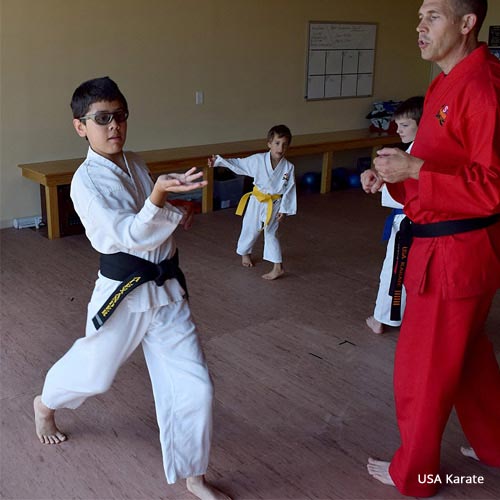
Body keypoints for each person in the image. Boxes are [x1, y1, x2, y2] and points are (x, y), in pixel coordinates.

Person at [33, 76, 230, 500]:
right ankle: (46, 403)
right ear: (80, 126)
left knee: (194, 384)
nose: (114, 126)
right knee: (96, 374)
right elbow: (127, 233)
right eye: (101, 119)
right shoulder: (86, 181)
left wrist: (176, 208)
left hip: (165, 289)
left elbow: (147, 217)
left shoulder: (135, 162)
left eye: (119, 116)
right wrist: (160, 200)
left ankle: (193, 474)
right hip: (122, 293)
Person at [364, 0, 500, 496]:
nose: (420, 27)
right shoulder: (446, 81)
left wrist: (415, 171)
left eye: (433, 16)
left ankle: (417, 474)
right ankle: (495, 445)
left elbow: (493, 186)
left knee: (422, 369)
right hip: (446, 245)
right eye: (420, 17)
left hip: (457, 254)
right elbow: (434, 162)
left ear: (466, 24)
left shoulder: (483, 87)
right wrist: (392, 176)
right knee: (466, 357)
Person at [362, 96, 424, 334]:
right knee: (405, 271)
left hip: (410, 222)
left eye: (405, 125)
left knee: (394, 270)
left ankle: (381, 319)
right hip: (411, 221)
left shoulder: (417, 155)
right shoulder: (409, 152)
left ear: (423, 124)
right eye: (397, 125)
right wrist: (377, 176)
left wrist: (380, 180)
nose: (398, 130)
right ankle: (402, 315)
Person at [208, 125, 297, 280]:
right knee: (250, 228)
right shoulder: (258, 160)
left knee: (271, 233)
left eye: (284, 144)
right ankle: (245, 252)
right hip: (257, 201)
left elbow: (290, 189)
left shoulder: (289, 167)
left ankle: (278, 267)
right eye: (277, 143)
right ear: (269, 143)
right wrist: (219, 162)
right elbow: (239, 164)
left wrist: (284, 209)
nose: (280, 148)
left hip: (274, 204)